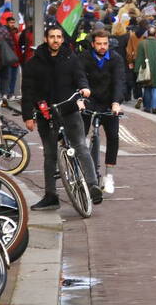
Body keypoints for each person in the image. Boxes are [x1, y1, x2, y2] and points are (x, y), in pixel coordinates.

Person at [22, 26, 102, 209]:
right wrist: (28, 116)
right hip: (46, 113)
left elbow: (80, 76)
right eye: (52, 37)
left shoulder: (71, 58)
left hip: (68, 109)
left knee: (80, 146)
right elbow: (27, 90)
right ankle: (51, 196)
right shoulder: (34, 63)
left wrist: (84, 88)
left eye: (59, 37)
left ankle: (92, 186)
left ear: (63, 39)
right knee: (49, 155)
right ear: (46, 39)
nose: (56, 40)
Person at [78, 29, 124, 195]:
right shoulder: (84, 58)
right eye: (99, 44)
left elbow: (119, 81)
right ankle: (80, 171)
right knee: (80, 136)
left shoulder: (116, 59)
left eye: (105, 44)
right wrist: (80, 98)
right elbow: (79, 77)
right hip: (89, 101)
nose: (102, 47)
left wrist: (116, 103)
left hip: (108, 103)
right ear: (93, 44)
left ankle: (109, 176)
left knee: (113, 136)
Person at [134, 28, 156, 115]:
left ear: (147, 34)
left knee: (147, 88)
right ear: (155, 34)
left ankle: (147, 107)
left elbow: (139, 58)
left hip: (146, 68)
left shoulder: (142, 43)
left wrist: (136, 70)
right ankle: (154, 107)